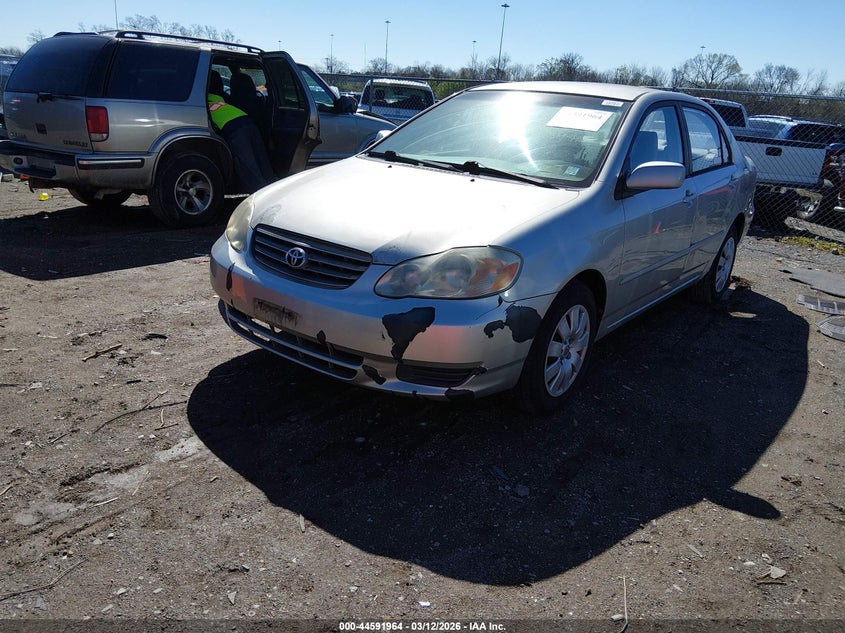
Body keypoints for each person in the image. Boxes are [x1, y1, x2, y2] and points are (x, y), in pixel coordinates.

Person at [207, 72, 275, 193]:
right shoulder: (220, 98)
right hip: (247, 122)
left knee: (247, 165)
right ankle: (273, 189)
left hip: (234, 129)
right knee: (261, 160)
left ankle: (259, 195)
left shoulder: (203, 99)